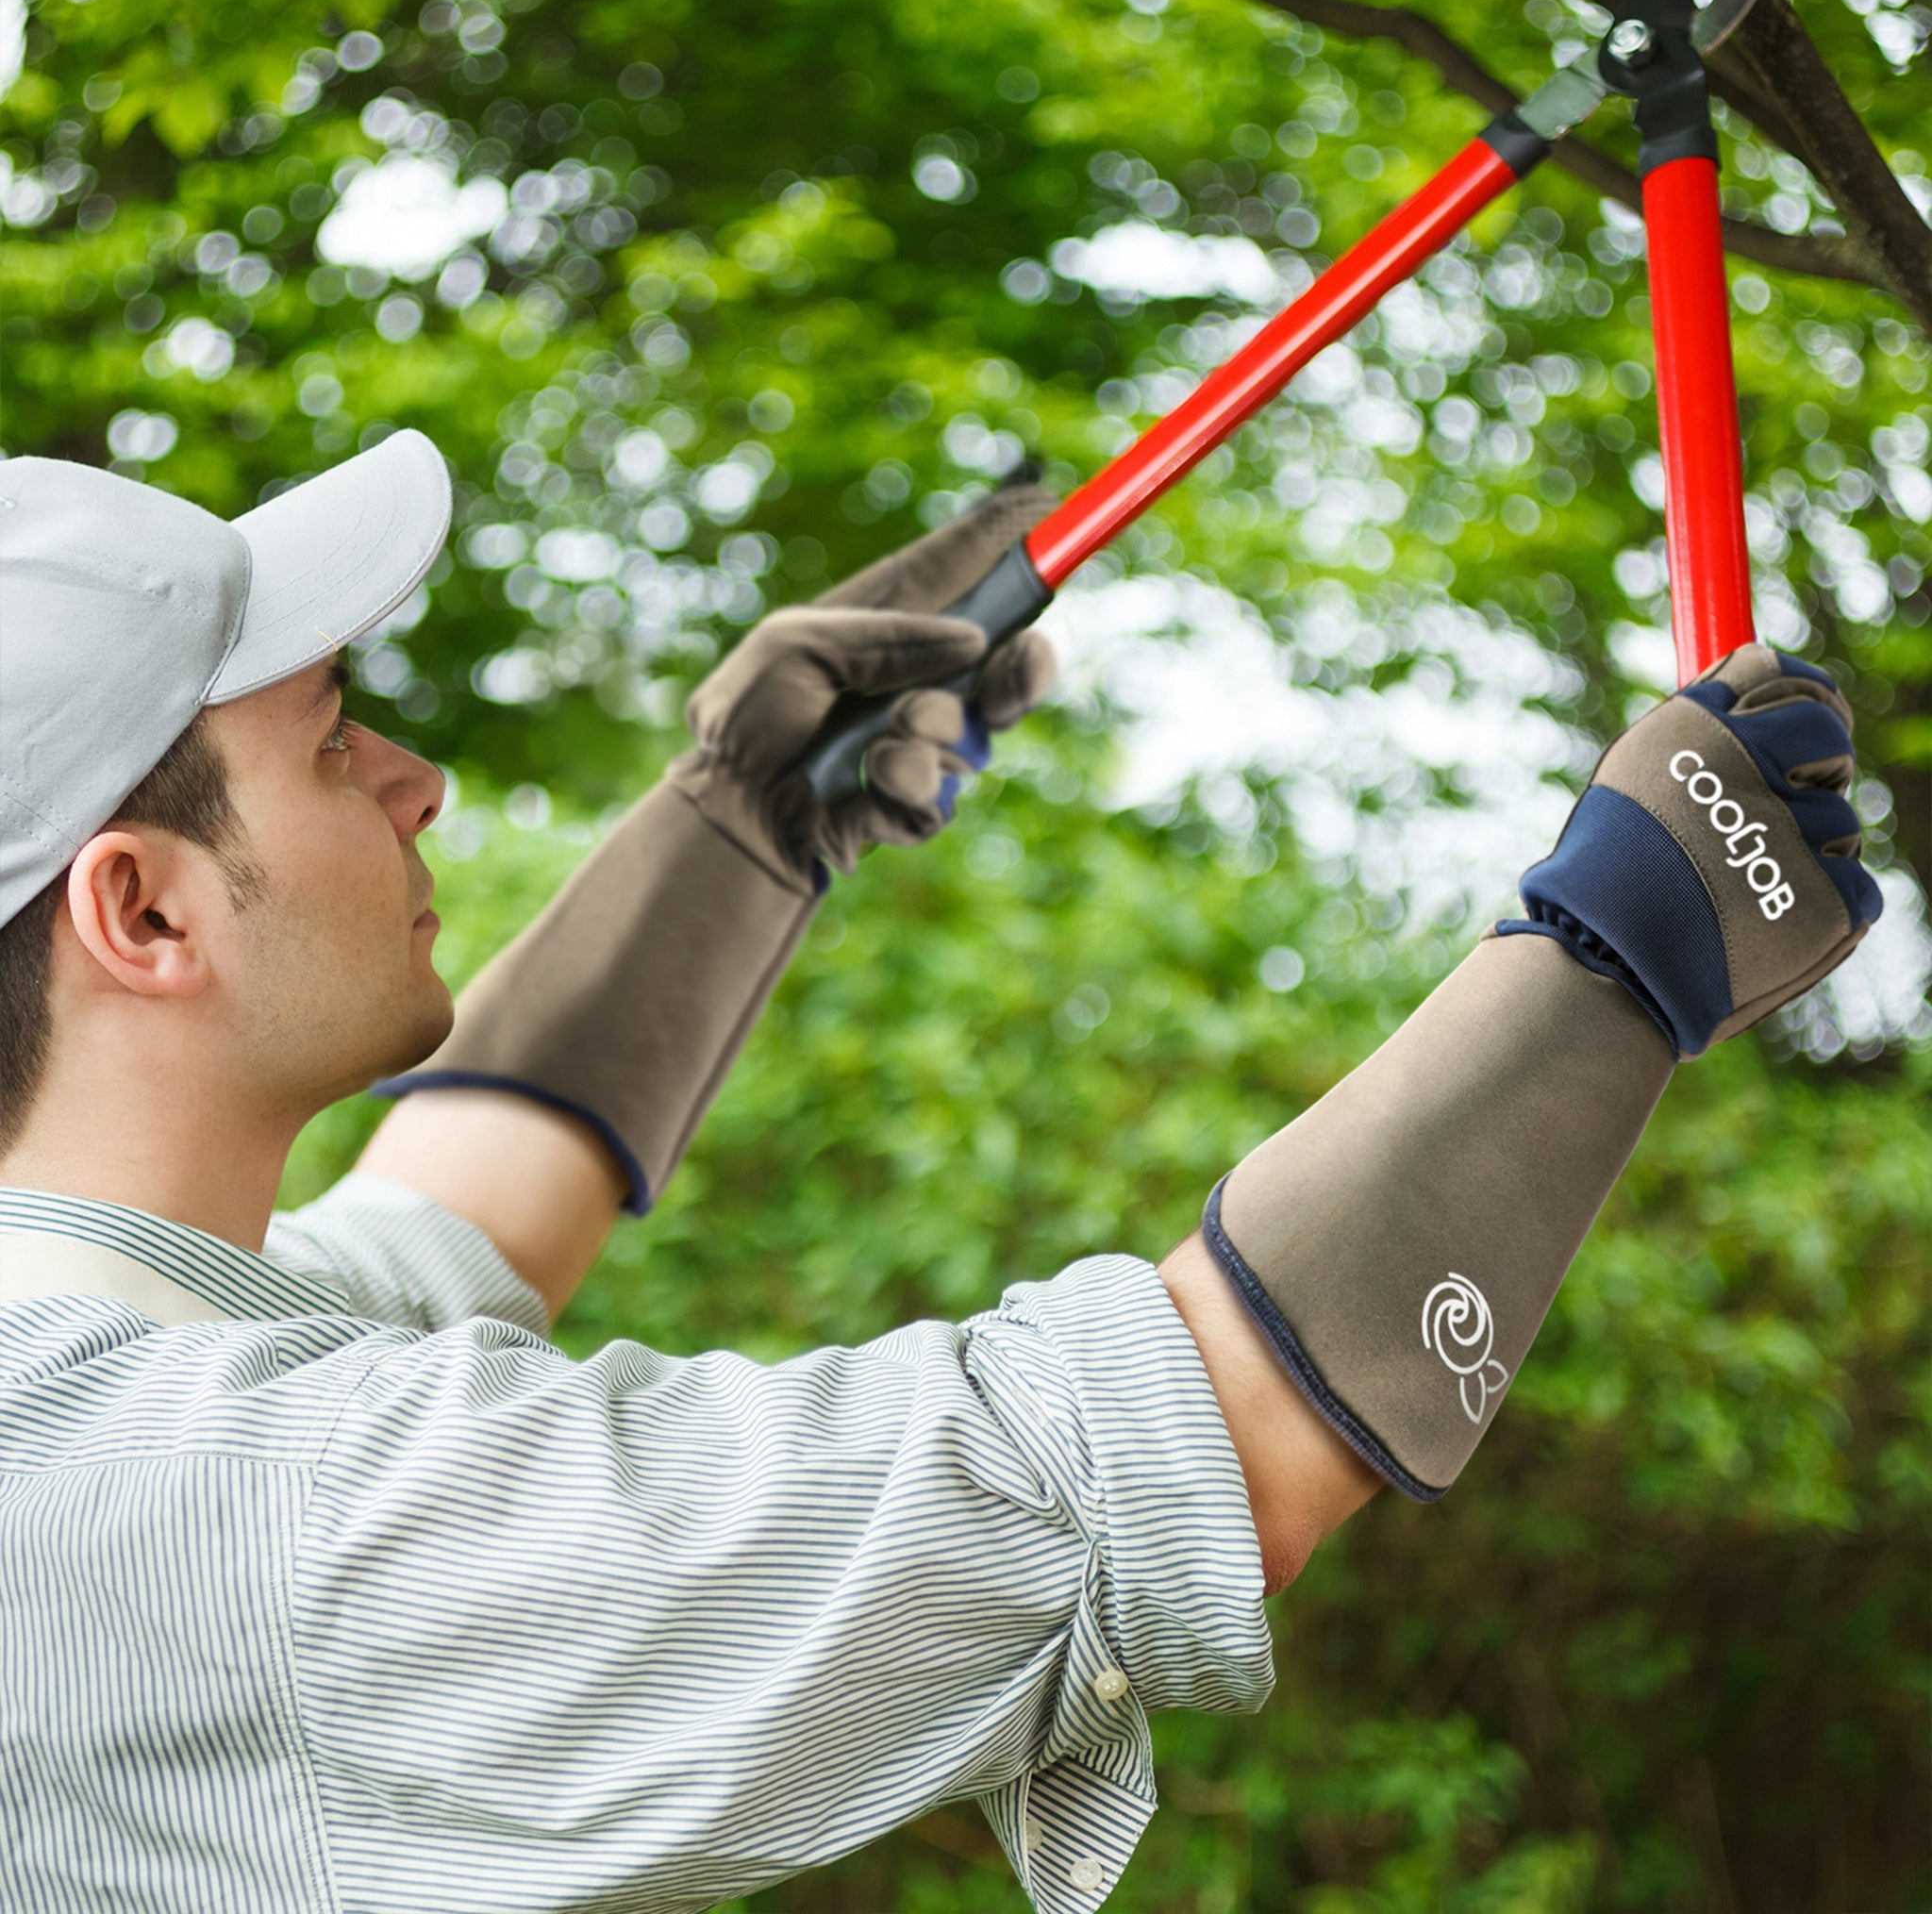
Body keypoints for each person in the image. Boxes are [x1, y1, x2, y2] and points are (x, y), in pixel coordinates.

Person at [0, 430, 1878, 1913]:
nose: (415, 779)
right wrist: (1617, 953)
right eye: (332, 745)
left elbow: (460, 1222)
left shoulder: (105, 1371)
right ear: (143, 904)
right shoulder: (212, 1507)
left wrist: (737, 826)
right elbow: (1111, 1469)